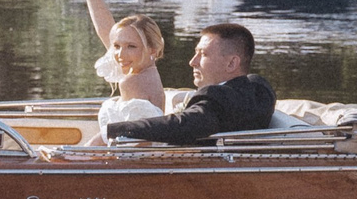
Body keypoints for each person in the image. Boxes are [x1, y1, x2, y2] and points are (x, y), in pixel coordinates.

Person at [103, 22, 274, 145]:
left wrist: (113, 130)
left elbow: (183, 124)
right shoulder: (259, 89)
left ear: (231, 63)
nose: (192, 62)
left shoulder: (217, 102)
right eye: (195, 53)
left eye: (203, 54)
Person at [66, 0, 165, 137]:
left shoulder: (132, 81)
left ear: (152, 49)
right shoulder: (144, 71)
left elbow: (126, 140)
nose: (119, 54)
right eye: (117, 46)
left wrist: (81, 150)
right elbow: (104, 26)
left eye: (131, 46)